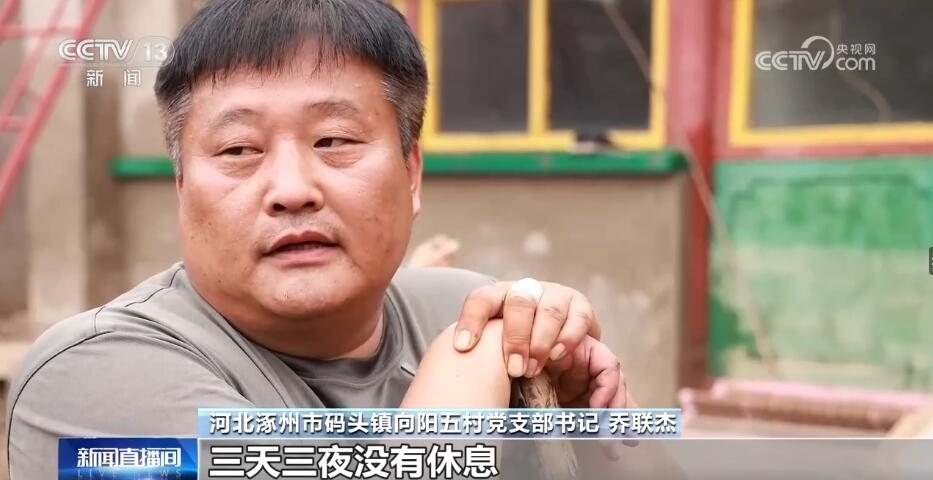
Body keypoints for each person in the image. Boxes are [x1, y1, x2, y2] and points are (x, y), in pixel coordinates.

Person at [4, 1, 635, 478]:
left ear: (411, 173)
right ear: (182, 186)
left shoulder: (462, 306)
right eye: (238, 150)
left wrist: (576, 431)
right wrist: (475, 362)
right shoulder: (90, 378)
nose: (291, 189)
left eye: (333, 141)